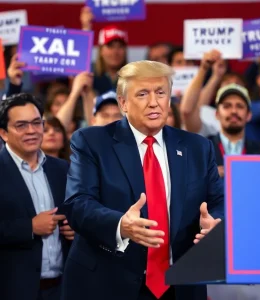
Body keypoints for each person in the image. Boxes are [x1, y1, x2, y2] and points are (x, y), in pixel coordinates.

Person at [61, 60, 224, 300]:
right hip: (108, 283)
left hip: (180, 286)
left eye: (160, 93)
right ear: (123, 103)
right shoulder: (92, 142)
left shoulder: (198, 148)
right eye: (142, 94)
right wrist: (120, 225)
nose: (153, 102)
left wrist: (216, 224)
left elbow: (219, 202)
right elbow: (78, 203)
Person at [0, 93, 74, 300]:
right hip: (13, 289)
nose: (32, 131)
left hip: (62, 287)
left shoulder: (61, 169)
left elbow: (76, 213)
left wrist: (76, 228)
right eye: (21, 125)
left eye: (36, 123)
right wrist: (29, 228)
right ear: (4, 133)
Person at [207, 83, 260, 178]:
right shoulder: (202, 149)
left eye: (240, 106)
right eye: (227, 106)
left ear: (249, 115)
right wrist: (208, 176)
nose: (234, 111)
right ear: (216, 114)